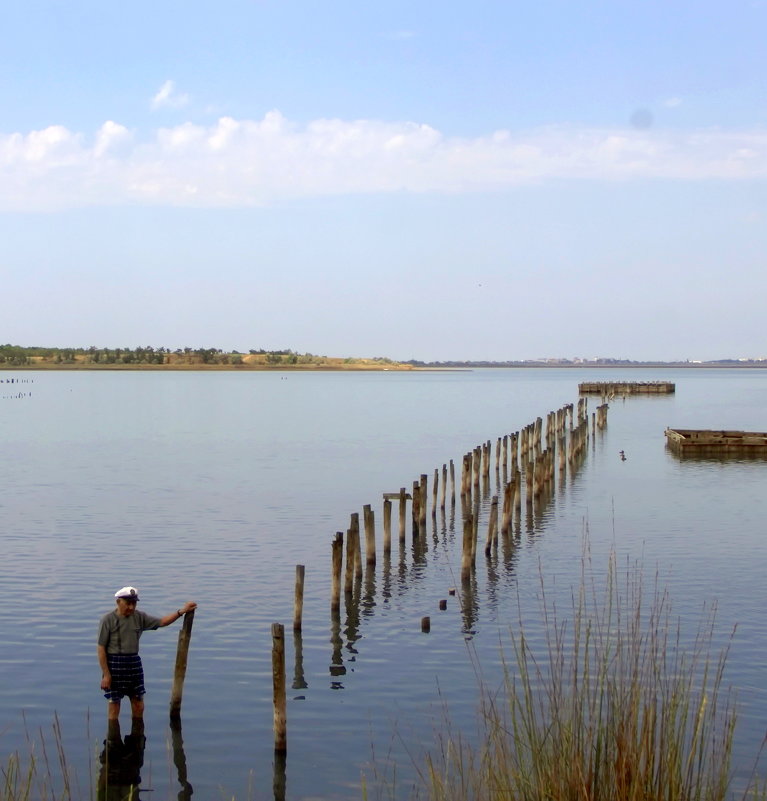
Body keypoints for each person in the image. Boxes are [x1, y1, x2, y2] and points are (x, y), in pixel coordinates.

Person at [97, 586, 197, 720]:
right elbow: (101, 648)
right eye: (128, 604)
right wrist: (106, 675)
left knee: (138, 703)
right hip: (114, 664)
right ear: (118, 602)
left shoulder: (139, 617)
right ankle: (113, 739)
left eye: (134, 603)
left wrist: (181, 612)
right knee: (114, 705)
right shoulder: (107, 620)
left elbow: (162, 622)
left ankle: (137, 736)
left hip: (134, 663)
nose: (131, 607)